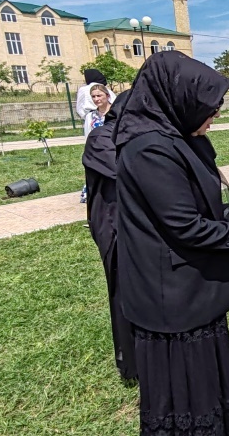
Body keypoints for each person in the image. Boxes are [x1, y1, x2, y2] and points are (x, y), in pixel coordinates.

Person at [114, 51, 229, 435]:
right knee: (183, 391)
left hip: (191, 291)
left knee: (206, 386)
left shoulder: (177, 137)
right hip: (170, 298)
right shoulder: (149, 149)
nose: (213, 117)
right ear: (177, 100)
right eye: (208, 109)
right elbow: (185, 226)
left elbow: (194, 203)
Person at [83, 90, 136, 382]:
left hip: (140, 228)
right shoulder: (102, 138)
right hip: (116, 231)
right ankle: (130, 361)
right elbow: (131, 172)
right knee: (123, 296)